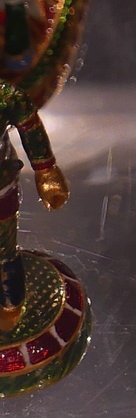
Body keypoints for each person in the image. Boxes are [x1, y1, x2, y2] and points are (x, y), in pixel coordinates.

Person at [0, 80, 65, 314]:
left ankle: (10, 304)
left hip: (1, 184)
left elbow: (30, 126)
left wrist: (46, 170)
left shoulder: (7, 97)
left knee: (3, 250)